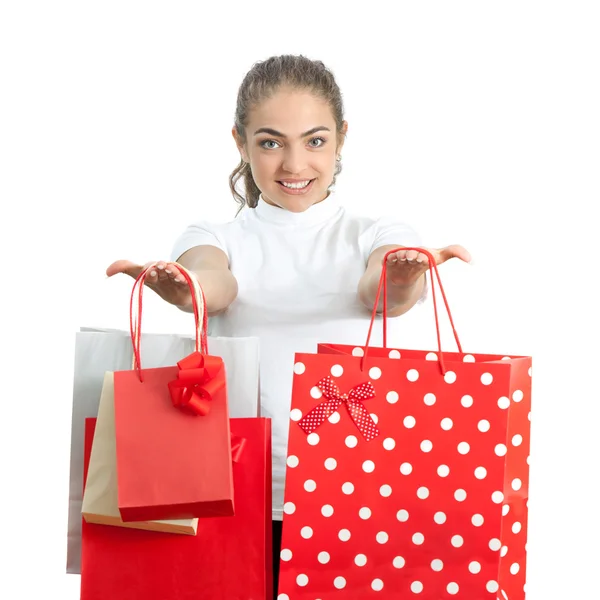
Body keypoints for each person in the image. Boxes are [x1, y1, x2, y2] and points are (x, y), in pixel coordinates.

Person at [107, 54, 471, 595]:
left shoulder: (376, 232)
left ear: (342, 138)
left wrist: (404, 275)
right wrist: (185, 288)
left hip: (356, 491)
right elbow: (215, 283)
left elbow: (383, 291)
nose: (294, 164)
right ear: (240, 141)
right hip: (231, 494)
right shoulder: (216, 234)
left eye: (315, 141)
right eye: (271, 142)